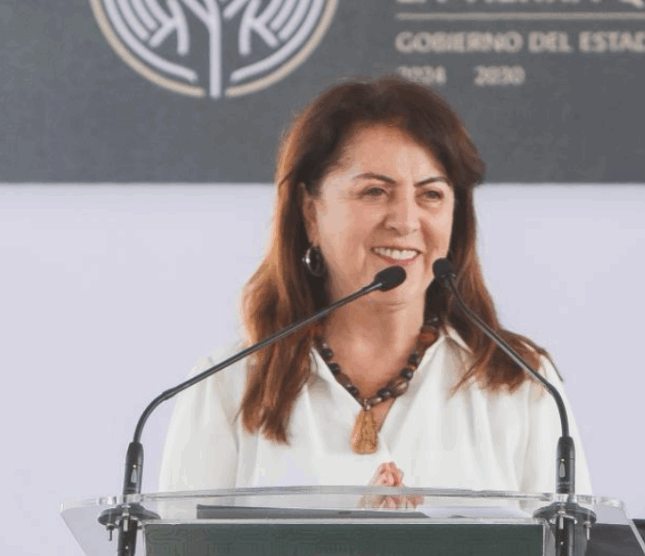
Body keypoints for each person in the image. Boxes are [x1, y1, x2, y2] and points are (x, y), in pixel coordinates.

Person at [158, 76, 592, 499]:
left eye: (431, 195)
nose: (405, 221)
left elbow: (572, 539)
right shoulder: (224, 388)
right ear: (310, 213)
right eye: (374, 192)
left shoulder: (523, 382)